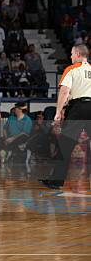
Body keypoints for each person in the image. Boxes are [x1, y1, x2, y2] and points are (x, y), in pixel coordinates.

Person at [42, 44, 91, 188]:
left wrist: (58, 112)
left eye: (71, 53)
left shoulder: (71, 69)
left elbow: (64, 91)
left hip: (78, 108)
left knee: (65, 146)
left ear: (77, 54)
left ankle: (56, 180)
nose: (70, 56)